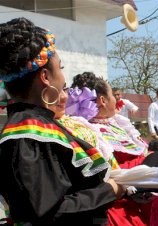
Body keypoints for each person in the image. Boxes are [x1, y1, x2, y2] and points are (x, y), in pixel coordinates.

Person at [0, 17, 124, 225]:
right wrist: (109, 191)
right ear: (46, 77)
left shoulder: (39, 125)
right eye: (61, 66)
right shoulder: (30, 133)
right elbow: (48, 213)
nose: (64, 78)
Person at [70, 72, 158, 226]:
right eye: (113, 95)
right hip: (121, 206)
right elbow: (109, 171)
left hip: (142, 197)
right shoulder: (88, 132)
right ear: (103, 100)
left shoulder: (117, 123)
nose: (116, 99)